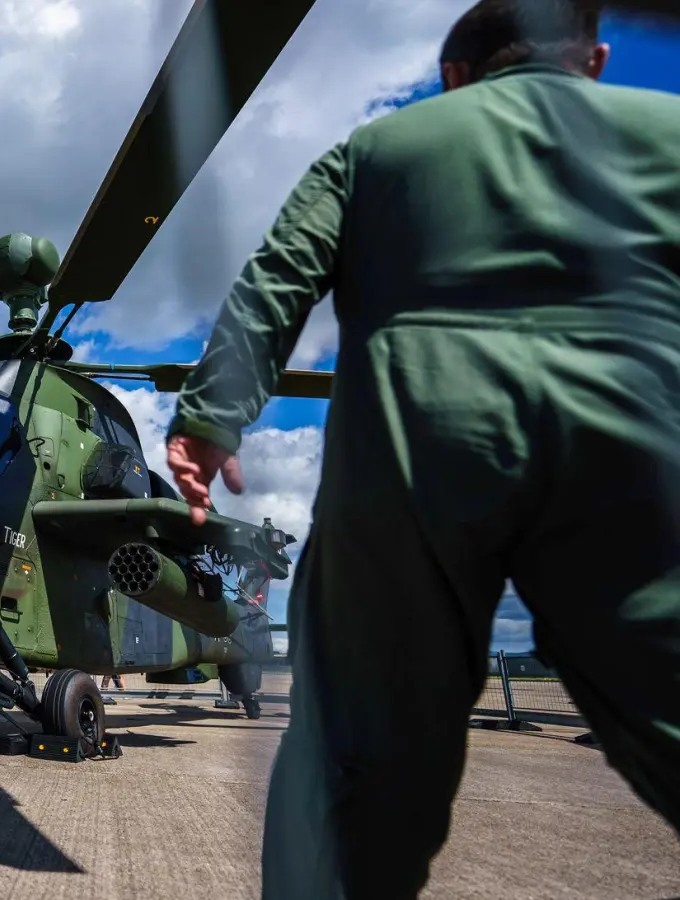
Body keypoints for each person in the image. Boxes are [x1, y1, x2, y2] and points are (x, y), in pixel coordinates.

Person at [161, 2, 680, 895]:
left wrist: (210, 420)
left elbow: (277, 277)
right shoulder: (665, 129)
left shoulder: (377, 148)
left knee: (355, 764)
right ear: (592, 59)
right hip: (639, 435)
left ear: (453, 77)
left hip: (415, 434)